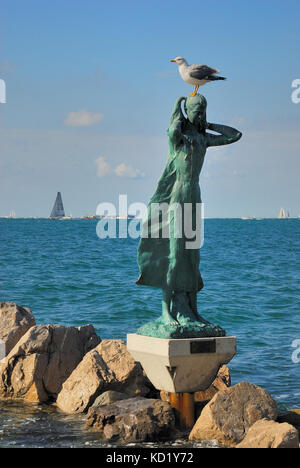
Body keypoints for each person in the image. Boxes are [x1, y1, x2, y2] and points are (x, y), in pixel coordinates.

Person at [136, 95, 242, 336]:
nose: (201, 113)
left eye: (204, 109)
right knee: (173, 255)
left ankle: (193, 310)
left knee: (193, 257)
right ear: (187, 110)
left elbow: (234, 135)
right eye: (197, 109)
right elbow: (171, 129)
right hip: (176, 199)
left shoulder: (203, 138)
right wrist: (178, 109)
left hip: (195, 199)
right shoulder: (180, 138)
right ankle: (166, 311)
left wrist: (209, 124)